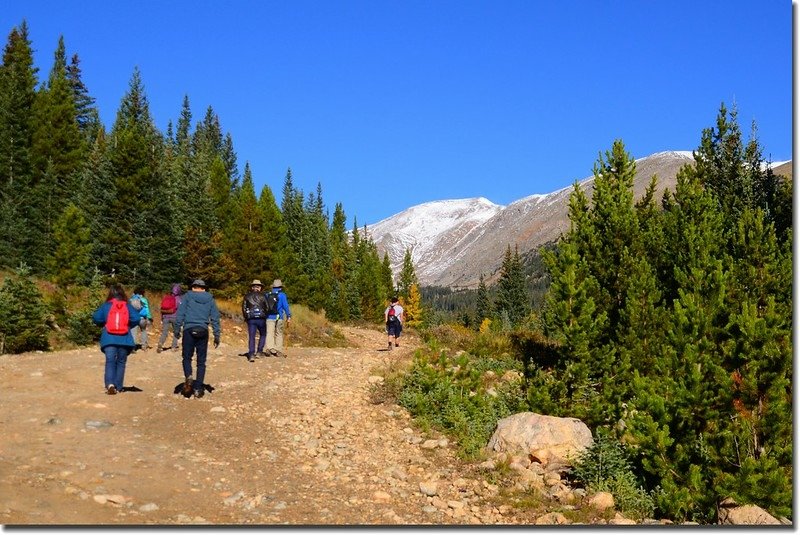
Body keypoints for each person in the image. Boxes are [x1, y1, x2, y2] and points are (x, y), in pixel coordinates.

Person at [174, 279, 221, 398]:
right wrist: (216, 335)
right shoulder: (210, 299)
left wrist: (177, 329)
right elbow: (215, 317)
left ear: (193, 287)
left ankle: (189, 375)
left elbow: (180, 313)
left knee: (186, 357)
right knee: (201, 361)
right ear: (204, 288)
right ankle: (198, 388)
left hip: (189, 329)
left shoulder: (187, 297)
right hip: (203, 330)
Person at [92, 284, 141, 395]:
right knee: (121, 362)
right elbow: (137, 318)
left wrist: (104, 323)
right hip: (124, 339)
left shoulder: (106, 306)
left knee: (110, 361)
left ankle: (110, 384)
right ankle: (119, 387)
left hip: (109, 338)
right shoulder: (127, 306)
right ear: (122, 294)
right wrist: (127, 325)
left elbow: (96, 317)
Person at [242, 279, 270, 362]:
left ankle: (251, 354)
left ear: (252, 287)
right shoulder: (263, 296)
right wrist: (265, 315)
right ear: (260, 288)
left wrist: (246, 317)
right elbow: (267, 307)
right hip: (261, 318)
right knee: (263, 334)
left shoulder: (247, 296)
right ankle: (259, 351)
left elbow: (244, 308)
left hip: (251, 318)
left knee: (251, 336)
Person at [265, 279, 291, 358]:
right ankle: (278, 350)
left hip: (269, 316)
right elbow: (285, 306)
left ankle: (269, 348)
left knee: (270, 333)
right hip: (279, 317)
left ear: (273, 287)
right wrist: (289, 316)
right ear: (280, 287)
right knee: (278, 333)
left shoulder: (267, 295)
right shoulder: (282, 295)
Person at [157, 283, 183, 353]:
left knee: (164, 332)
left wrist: (162, 318)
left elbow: (162, 308)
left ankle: (160, 343)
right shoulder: (179, 299)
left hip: (165, 317)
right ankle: (173, 347)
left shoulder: (167, 297)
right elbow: (181, 309)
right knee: (176, 332)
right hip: (175, 317)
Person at [129, 287, 153, 351]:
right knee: (143, 331)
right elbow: (147, 309)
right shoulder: (144, 299)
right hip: (142, 318)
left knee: (133, 332)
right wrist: (149, 317)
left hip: (134, 318)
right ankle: (144, 346)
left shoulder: (131, 299)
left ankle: (132, 347)